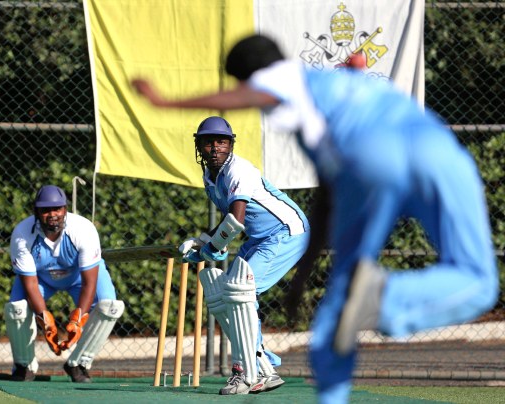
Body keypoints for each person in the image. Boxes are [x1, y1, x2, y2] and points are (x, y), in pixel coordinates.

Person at [131, 35, 498, 403]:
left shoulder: (287, 82)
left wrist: (165, 101)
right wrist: (303, 273)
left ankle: (279, 353)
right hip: (442, 152)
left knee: (252, 291)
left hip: (367, 163)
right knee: (478, 283)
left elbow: (251, 100)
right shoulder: (326, 103)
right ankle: (368, 308)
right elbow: (325, 196)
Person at [178, 116, 310, 395]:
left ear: (230, 145)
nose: (215, 148)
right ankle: (264, 368)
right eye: (208, 142)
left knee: (241, 290)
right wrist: (202, 240)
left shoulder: (239, 170)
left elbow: (235, 222)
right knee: (226, 294)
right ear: (199, 146)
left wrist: (211, 248)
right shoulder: (210, 177)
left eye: (221, 142)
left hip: (286, 232)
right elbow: (228, 219)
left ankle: (248, 369)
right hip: (260, 237)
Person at [5, 184, 124, 382]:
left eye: (57, 209)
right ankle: (24, 365)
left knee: (111, 307)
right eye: (45, 210)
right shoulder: (22, 234)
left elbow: (89, 282)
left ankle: (79, 364)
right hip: (41, 280)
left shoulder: (83, 229)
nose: (52, 214)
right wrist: (46, 322)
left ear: (65, 209)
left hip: (79, 278)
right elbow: (31, 284)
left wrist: (78, 321)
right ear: (36, 212)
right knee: (16, 309)